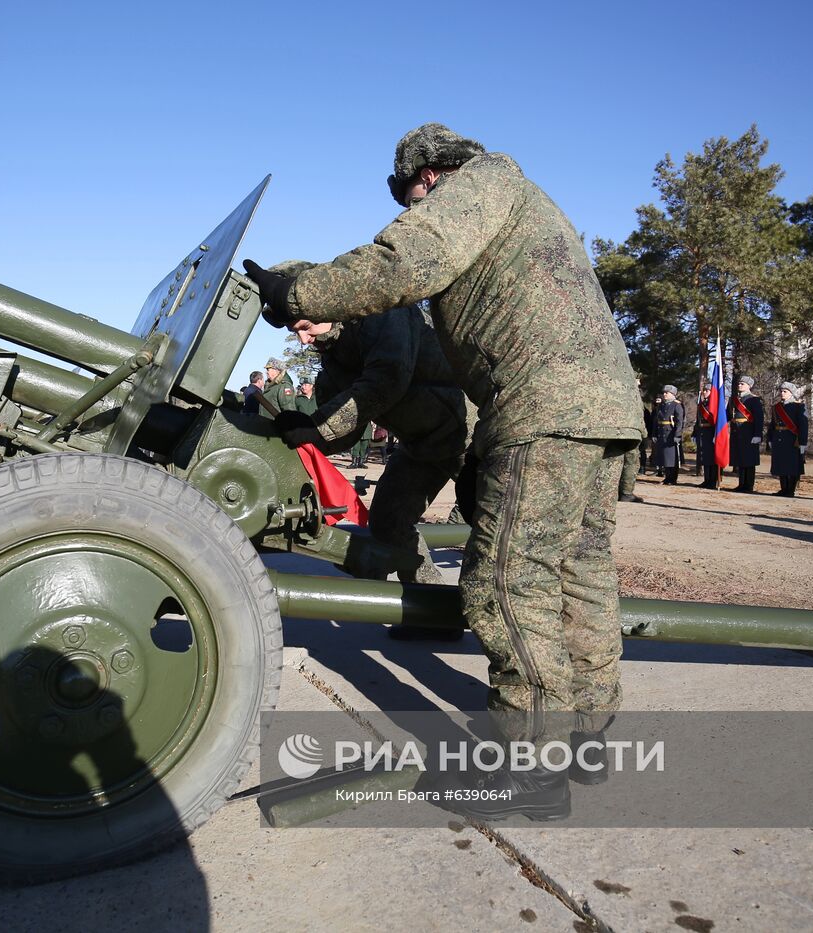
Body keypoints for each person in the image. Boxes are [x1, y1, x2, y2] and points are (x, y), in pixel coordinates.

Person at [243, 123, 643, 817]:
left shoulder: (484, 182)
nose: (409, 209)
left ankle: (532, 772)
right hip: (601, 404)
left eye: (410, 196)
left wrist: (299, 291)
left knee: (507, 582)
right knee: (579, 572)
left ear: (429, 175)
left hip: (544, 404)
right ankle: (588, 736)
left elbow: (407, 260)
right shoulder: (523, 200)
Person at [263, 293, 471, 605]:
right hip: (419, 445)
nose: (304, 340)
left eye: (306, 327)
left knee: (505, 527)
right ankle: (431, 605)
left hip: (468, 435)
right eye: (296, 333)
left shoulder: (384, 313)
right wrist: (304, 430)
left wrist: (318, 425)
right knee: (389, 521)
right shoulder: (333, 363)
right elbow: (346, 435)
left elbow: (386, 381)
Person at [768, 382, 809, 497]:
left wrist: (803, 442)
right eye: (781, 391)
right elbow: (772, 424)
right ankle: (783, 488)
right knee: (781, 464)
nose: (782, 393)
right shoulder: (777, 407)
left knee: (792, 466)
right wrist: (770, 438)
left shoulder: (799, 406)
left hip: (792, 440)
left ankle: (790, 490)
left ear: (791, 393)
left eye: (785, 391)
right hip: (779, 438)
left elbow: (803, 425)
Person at [729, 376, 765, 493]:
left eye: (743, 384)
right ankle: (741, 484)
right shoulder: (734, 400)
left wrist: (757, 434)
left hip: (749, 432)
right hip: (737, 432)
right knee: (740, 459)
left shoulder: (754, 400)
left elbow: (759, 418)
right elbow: (728, 415)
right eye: (739, 383)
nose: (740, 385)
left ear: (749, 386)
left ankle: (748, 485)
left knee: (749, 461)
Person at [651, 385, 686, 485]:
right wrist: (654, 434)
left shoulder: (677, 405)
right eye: (664, 393)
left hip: (671, 433)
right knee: (664, 458)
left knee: (672, 458)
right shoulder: (661, 405)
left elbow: (680, 422)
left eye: (667, 393)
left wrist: (677, 435)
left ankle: (672, 478)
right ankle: (667, 477)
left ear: (673, 394)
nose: (664, 394)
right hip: (662, 433)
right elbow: (656, 421)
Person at [618, 378, 644, 503]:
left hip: (615, 432)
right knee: (631, 462)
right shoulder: (633, 395)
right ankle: (626, 492)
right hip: (630, 432)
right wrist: (643, 433)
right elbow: (639, 415)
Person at [693, 385, 719, 489]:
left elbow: (719, 421)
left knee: (712, 458)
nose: (704, 392)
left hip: (711, 433)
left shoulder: (716, 404)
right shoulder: (702, 404)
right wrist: (694, 433)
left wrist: (716, 434)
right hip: (702, 432)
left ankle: (713, 481)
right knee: (705, 458)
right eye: (704, 390)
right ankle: (706, 480)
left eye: (707, 390)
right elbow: (698, 420)